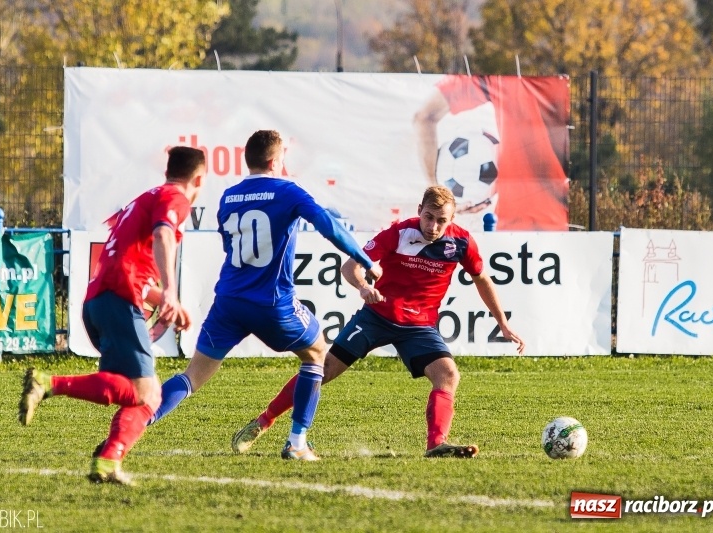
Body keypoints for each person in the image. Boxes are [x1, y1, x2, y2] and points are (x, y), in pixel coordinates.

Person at [231, 185, 525, 458]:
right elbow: (351, 267)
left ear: (452, 219)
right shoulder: (397, 233)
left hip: (419, 327)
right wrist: (363, 287)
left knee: (448, 375)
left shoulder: (460, 241)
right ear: (419, 208)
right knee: (323, 370)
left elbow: (481, 278)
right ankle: (264, 421)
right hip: (377, 316)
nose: (433, 226)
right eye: (428, 217)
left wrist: (502, 322)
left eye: (441, 220)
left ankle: (436, 444)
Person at [147, 129, 382, 461]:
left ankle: (137, 420)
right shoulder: (287, 191)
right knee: (316, 353)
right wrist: (365, 260)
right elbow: (328, 225)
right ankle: (297, 443)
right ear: (275, 160)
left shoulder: (228, 197)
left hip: (228, 301)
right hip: (272, 303)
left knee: (192, 376)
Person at [18, 146, 207, 484]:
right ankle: (47, 384)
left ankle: (108, 461)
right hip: (118, 299)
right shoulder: (175, 197)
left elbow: (131, 261)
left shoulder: (146, 197)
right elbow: (165, 234)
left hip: (101, 300)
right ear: (199, 179)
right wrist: (171, 293)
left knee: (139, 394)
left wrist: (159, 298)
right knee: (148, 395)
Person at [413, 74, 569, 231]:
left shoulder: (501, 78)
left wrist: (437, 195)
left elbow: (424, 117)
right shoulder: (567, 83)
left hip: (514, 227)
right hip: (566, 221)